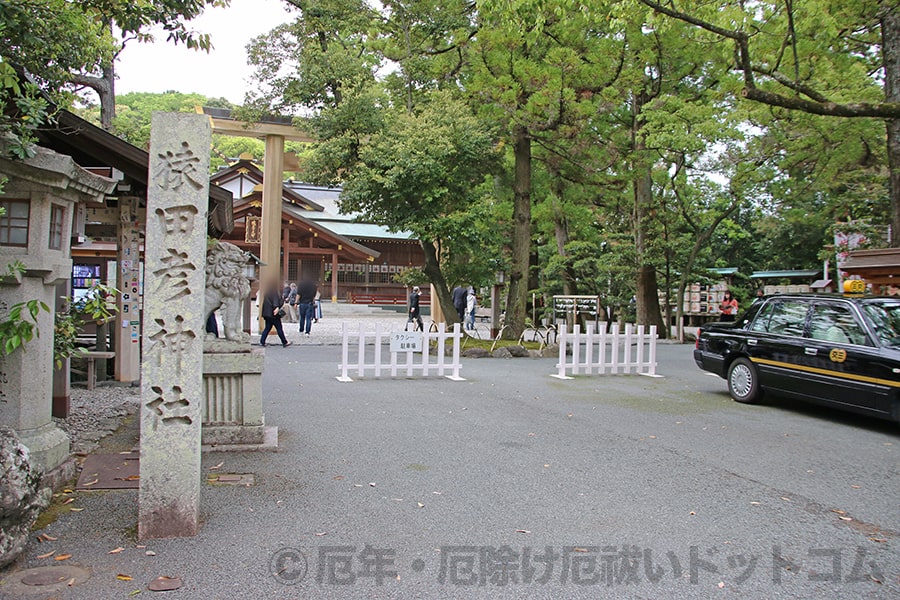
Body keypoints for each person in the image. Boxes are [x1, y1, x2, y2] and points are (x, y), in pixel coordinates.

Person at [259, 280, 291, 347]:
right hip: (273, 313)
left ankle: (262, 341)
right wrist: (276, 307)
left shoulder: (267, 292)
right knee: (279, 328)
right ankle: (284, 342)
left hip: (267, 313)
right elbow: (275, 301)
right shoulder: (274, 292)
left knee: (267, 328)